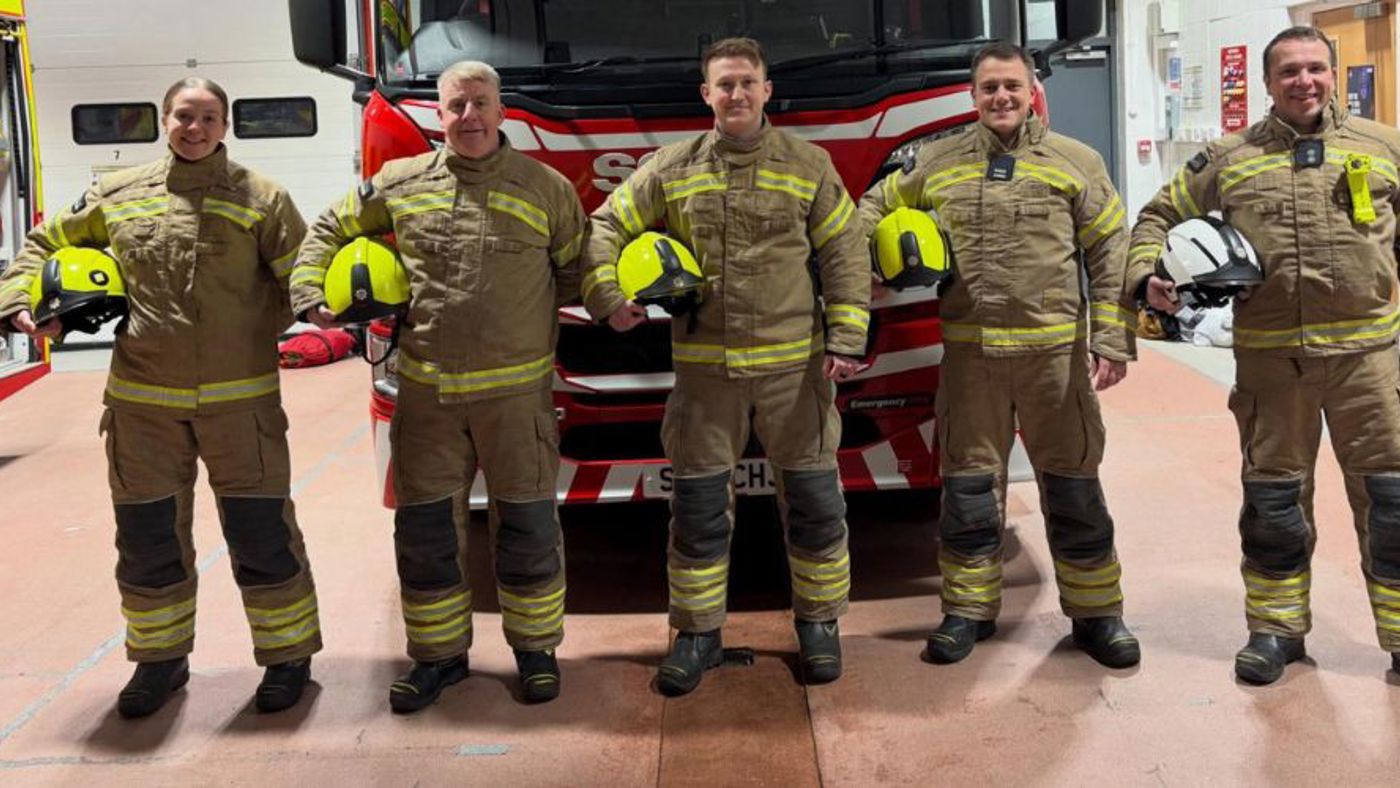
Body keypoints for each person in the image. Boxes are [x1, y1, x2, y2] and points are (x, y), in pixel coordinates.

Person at [0, 77, 320, 717]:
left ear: (224, 125)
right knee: (146, 540)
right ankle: (159, 663)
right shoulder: (116, 196)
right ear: (164, 120)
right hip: (142, 406)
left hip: (242, 406)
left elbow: (301, 274)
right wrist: (21, 305)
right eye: (183, 116)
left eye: (207, 118)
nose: (194, 129)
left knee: (262, 535)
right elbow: (43, 246)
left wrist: (295, 318)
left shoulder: (264, 198)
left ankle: (287, 661)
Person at [291, 60, 587, 711]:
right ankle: (437, 658)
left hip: (518, 401)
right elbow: (326, 231)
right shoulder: (398, 183)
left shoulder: (546, 188)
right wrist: (313, 295)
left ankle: (535, 653)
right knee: (425, 538)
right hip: (427, 399)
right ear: (440, 115)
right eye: (456, 105)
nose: (469, 116)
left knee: (529, 529)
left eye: (481, 103)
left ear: (502, 110)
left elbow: (574, 273)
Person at [581, 37, 870, 695]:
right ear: (706, 95)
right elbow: (605, 228)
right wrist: (606, 296)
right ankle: (696, 634)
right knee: (700, 507)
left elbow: (847, 253)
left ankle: (820, 625)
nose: (737, 94)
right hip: (705, 376)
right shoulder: (669, 169)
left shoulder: (809, 165)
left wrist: (847, 336)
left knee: (816, 502)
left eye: (747, 82)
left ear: (767, 91)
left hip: (795, 372)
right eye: (724, 84)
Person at [858, 42, 1142, 669]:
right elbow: (871, 208)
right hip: (971, 363)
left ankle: (1098, 616)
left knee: (1073, 491)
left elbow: (1110, 254)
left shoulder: (1076, 162)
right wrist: (875, 259)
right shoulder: (938, 162)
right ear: (973, 96)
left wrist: (1112, 340)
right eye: (989, 88)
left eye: (1011, 86)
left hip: (1055, 363)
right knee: (966, 493)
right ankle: (966, 612)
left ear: (1031, 89)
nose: (1001, 98)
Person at [1132, 26, 1400, 684]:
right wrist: (1147, 278)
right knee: (1274, 504)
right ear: (1268, 82)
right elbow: (1155, 217)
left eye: (1315, 69)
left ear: (1333, 75)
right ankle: (1277, 631)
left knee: (1392, 502)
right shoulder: (1229, 158)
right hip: (1271, 367)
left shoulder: (1385, 148)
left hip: (1370, 362)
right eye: (1289, 71)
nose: (1303, 81)